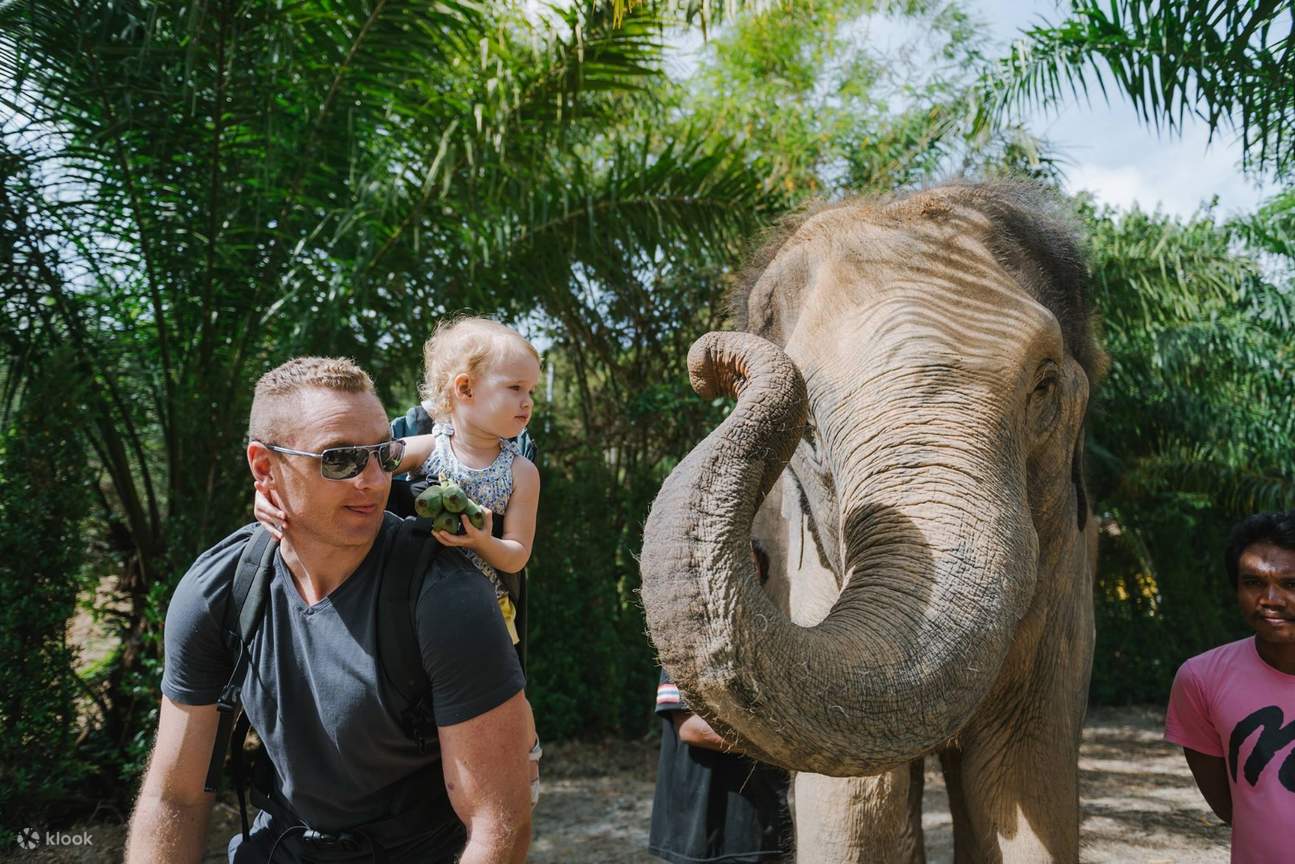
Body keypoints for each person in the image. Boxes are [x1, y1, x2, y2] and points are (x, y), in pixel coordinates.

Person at [125, 356, 534, 864]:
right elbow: (175, 798)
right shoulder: (222, 589)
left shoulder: (447, 597)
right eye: (339, 459)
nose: (372, 481)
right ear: (264, 468)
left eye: (383, 454)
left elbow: (498, 824)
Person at [256, 316, 540, 647]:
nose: (528, 401)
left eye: (531, 391)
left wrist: (482, 541)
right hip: (408, 599)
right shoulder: (427, 448)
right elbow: (347, 473)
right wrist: (273, 490)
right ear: (465, 388)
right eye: (515, 388)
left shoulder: (521, 471)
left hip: (480, 612)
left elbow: (518, 555)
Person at [1164, 509, 1295, 864]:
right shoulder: (1201, 680)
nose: (1271, 598)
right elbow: (1232, 807)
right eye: (1253, 582)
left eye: (1291, 584)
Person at [649, 540, 792, 864]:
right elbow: (690, 728)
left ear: (761, 580)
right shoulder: (685, 638)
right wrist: (769, 741)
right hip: (701, 830)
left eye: (750, 568)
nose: (741, 576)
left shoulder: (775, 646)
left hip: (764, 826)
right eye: (733, 565)